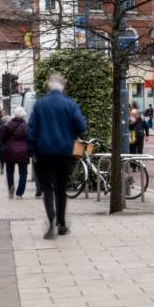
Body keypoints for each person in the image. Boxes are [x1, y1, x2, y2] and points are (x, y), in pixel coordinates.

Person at [29, 73, 87, 239]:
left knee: (47, 189)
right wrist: (70, 134)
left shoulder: (40, 105)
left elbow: (32, 130)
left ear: (48, 86)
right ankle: (61, 223)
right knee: (61, 188)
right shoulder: (70, 104)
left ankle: (51, 216)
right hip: (64, 153)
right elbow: (81, 126)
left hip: (44, 153)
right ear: (63, 87)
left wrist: (32, 150)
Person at [0, 107, 31, 198]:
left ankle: (11, 188)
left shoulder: (8, 125)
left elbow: (3, 138)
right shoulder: (26, 126)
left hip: (10, 151)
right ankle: (19, 193)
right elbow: (29, 139)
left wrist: (7, 146)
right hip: (23, 152)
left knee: (9, 171)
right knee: (23, 173)